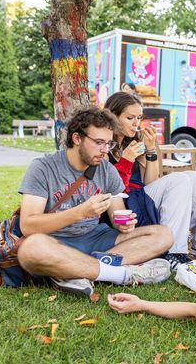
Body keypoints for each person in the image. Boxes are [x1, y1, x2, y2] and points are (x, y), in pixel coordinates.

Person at [16, 107, 173, 297]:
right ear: (77, 138)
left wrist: (125, 224)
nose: (105, 150)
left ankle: (74, 271)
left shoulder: (106, 170)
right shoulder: (43, 168)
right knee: (31, 249)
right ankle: (121, 274)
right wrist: (80, 212)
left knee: (163, 235)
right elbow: (28, 225)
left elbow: (117, 218)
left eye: (109, 144)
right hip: (57, 241)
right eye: (99, 143)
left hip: (96, 240)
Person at [104, 92, 196, 271]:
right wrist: (126, 160)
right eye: (130, 118)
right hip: (123, 205)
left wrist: (151, 150)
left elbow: (151, 181)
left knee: (193, 177)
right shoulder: (104, 146)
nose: (136, 124)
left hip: (141, 197)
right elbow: (111, 187)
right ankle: (173, 252)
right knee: (179, 180)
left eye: (139, 118)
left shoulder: (133, 143)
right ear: (113, 116)